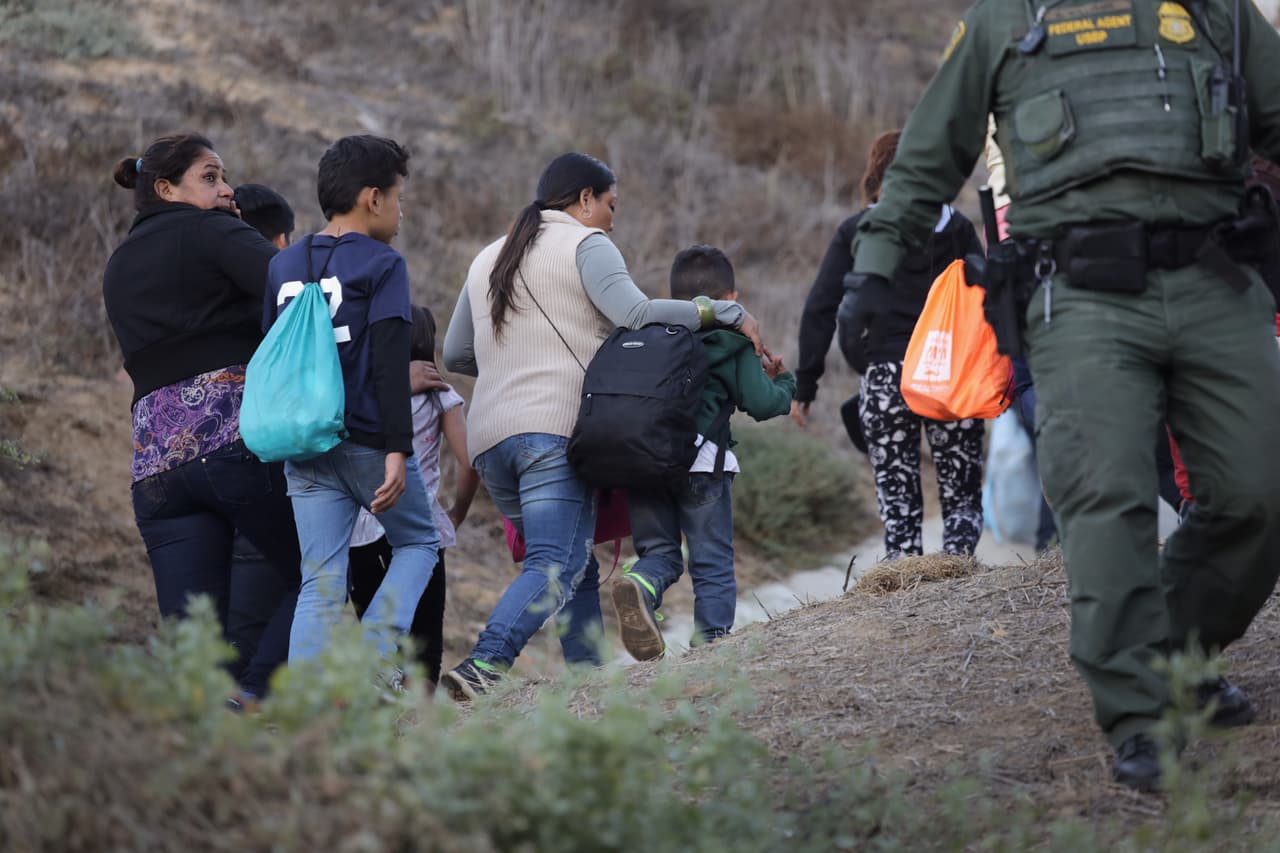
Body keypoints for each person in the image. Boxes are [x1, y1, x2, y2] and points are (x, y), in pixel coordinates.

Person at [846, 1, 1280, 791]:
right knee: (1106, 495)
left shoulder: (1217, 9)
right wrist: (872, 267)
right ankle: (1140, 713)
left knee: (1260, 489)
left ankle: (1174, 654)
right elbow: (928, 156)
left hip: (1215, 279)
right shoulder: (1005, 19)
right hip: (1078, 296)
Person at [440, 151, 763, 700]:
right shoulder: (587, 244)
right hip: (552, 431)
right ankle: (482, 667)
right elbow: (635, 314)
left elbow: (456, 353)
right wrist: (721, 313)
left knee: (573, 556)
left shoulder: (486, 258)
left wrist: (510, 358)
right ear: (585, 200)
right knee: (556, 563)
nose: (614, 218)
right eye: (611, 205)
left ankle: (587, 678)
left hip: (489, 440)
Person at [102, 133, 302, 705]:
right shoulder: (211, 230)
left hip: (157, 469)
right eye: (210, 177)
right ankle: (254, 698)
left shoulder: (119, 264)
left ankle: (204, 751)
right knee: (323, 567)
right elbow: (296, 289)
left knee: (194, 646)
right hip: (233, 444)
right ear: (166, 189)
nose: (226, 188)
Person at [263, 135, 439, 684]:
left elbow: (272, 354)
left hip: (302, 443)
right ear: (372, 198)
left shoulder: (283, 264)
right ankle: (373, 658)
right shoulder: (384, 264)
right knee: (419, 542)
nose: (401, 211)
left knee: (320, 579)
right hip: (365, 438)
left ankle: (305, 705)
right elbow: (390, 361)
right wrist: (396, 448)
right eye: (398, 197)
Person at [796, 131, 986, 558]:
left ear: (877, 173)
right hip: (948, 377)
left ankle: (906, 591)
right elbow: (986, 294)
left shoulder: (859, 229)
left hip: (886, 374)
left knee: (898, 515)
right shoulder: (954, 227)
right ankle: (956, 573)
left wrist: (806, 384)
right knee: (961, 501)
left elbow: (820, 308)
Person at [614, 245, 794, 660]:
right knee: (711, 562)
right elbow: (763, 403)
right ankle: (710, 650)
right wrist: (786, 383)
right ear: (731, 299)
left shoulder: (650, 332)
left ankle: (640, 584)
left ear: (673, 298)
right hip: (701, 466)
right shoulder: (728, 340)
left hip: (641, 462)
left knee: (659, 553)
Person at [347, 305, 478, 687]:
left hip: (362, 528)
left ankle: (379, 712)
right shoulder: (442, 397)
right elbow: (468, 464)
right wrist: (456, 512)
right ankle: (419, 723)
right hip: (419, 524)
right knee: (424, 642)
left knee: (377, 629)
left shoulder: (359, 394)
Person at [223, 183, 297, 677]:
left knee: (226, 619)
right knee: (312, 579)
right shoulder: (284, 299)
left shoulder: (204, 293)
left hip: (188, 458)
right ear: (283, 242)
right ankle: (251, 698)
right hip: (265, 461)